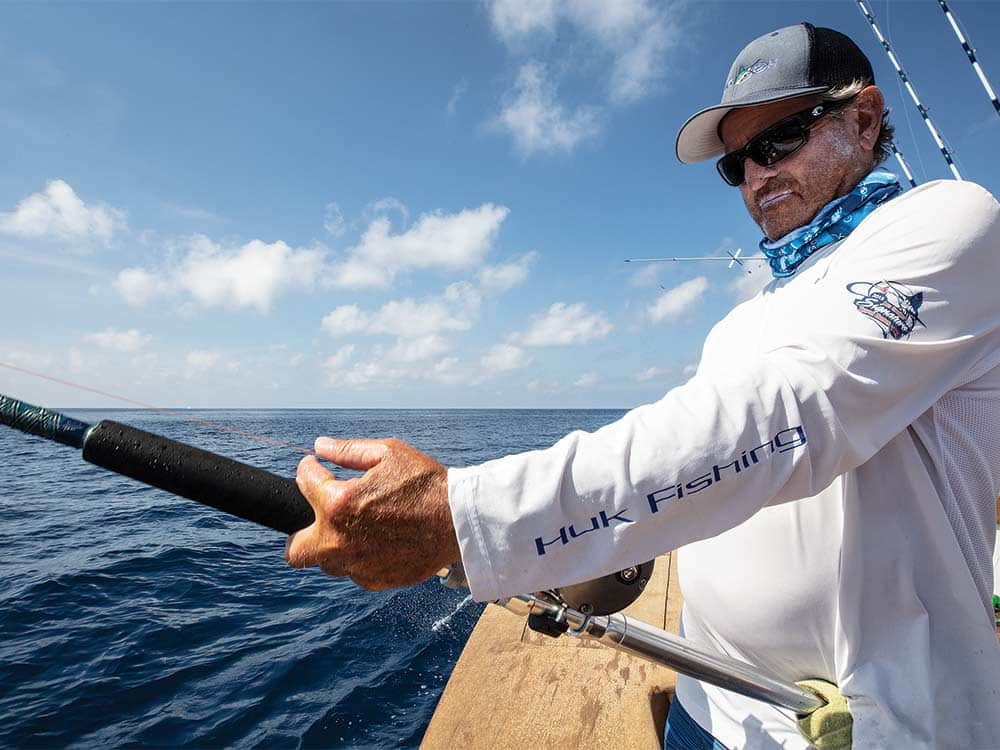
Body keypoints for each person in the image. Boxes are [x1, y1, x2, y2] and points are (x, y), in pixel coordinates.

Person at [285, 23, 1000, 750]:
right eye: (737, 163)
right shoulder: (738, 325)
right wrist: (587, 550)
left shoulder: (953, 223)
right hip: (708, 704)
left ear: (867, 117)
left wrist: (468, 513)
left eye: (779, 140)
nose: (756, 175)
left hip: (886, 725)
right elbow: (710, 455)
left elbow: (786, 416)